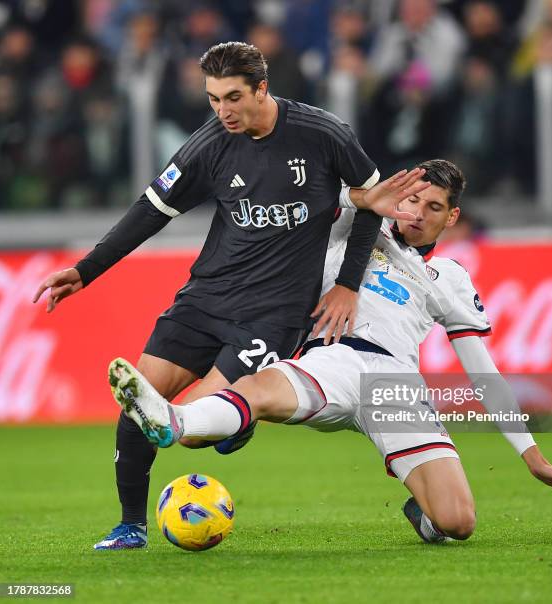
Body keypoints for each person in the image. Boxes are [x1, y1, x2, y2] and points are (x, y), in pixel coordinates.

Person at [32, 41, 425, 550]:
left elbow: (377, 201)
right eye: (214, 99)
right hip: (206, 298)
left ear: (262, 88)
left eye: (233, 98)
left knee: (190, 427)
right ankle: (131, 526)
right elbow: (151, 211)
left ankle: (232, 424)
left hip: (273, 316)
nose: (223, 111)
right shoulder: (210, 144)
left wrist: (348, 284)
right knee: (139, 405)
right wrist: (87, 270)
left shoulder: (323, 133)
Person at [108, 159, 552, 545]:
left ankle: (421, 507)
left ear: (453, 217)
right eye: (413, 200)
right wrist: (364, 198)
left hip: (395, 384)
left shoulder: (452, 279)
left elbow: (484, 375)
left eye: (435, 207)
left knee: (458, 522)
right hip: (331, 355)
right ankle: (174, 421)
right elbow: (311, 196)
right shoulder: (353, 232)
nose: (418, 214)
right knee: (257, 388)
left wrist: (531, 455)